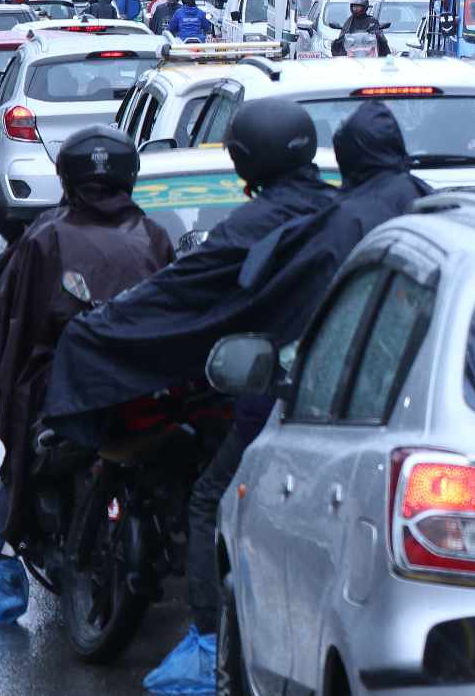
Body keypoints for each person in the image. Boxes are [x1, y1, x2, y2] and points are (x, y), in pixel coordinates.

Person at [46, 100, 428, 695]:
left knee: (210, 501)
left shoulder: (289, 223)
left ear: (246, 160)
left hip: (282, 389)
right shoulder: (366, 206)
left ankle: (206, 645)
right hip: (368, 394)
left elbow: (183, 291)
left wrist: (98, 333)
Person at [0, 126, 173, 563]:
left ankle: (3, 564)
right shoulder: (152, 235)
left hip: (74, 392)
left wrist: (9, 381)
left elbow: (14, 323)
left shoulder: (45, 236)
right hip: (138, 385)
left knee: (16, 466)